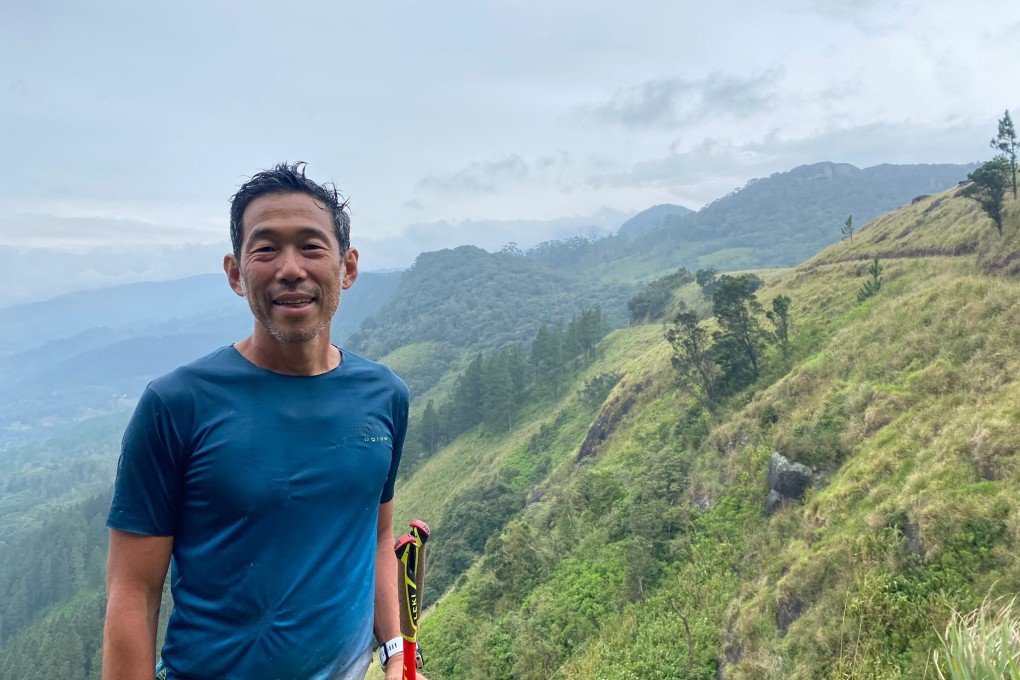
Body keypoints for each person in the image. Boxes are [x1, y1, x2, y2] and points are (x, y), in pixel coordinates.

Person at [103, 162, 423, 680]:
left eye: (312, 246)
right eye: (266, 248)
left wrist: (398, 657)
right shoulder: (176, 405)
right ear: (236, 272)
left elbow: (379, 537)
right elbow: (133, 593)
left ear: (348, 267)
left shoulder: (385, 396)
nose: (290, 268)